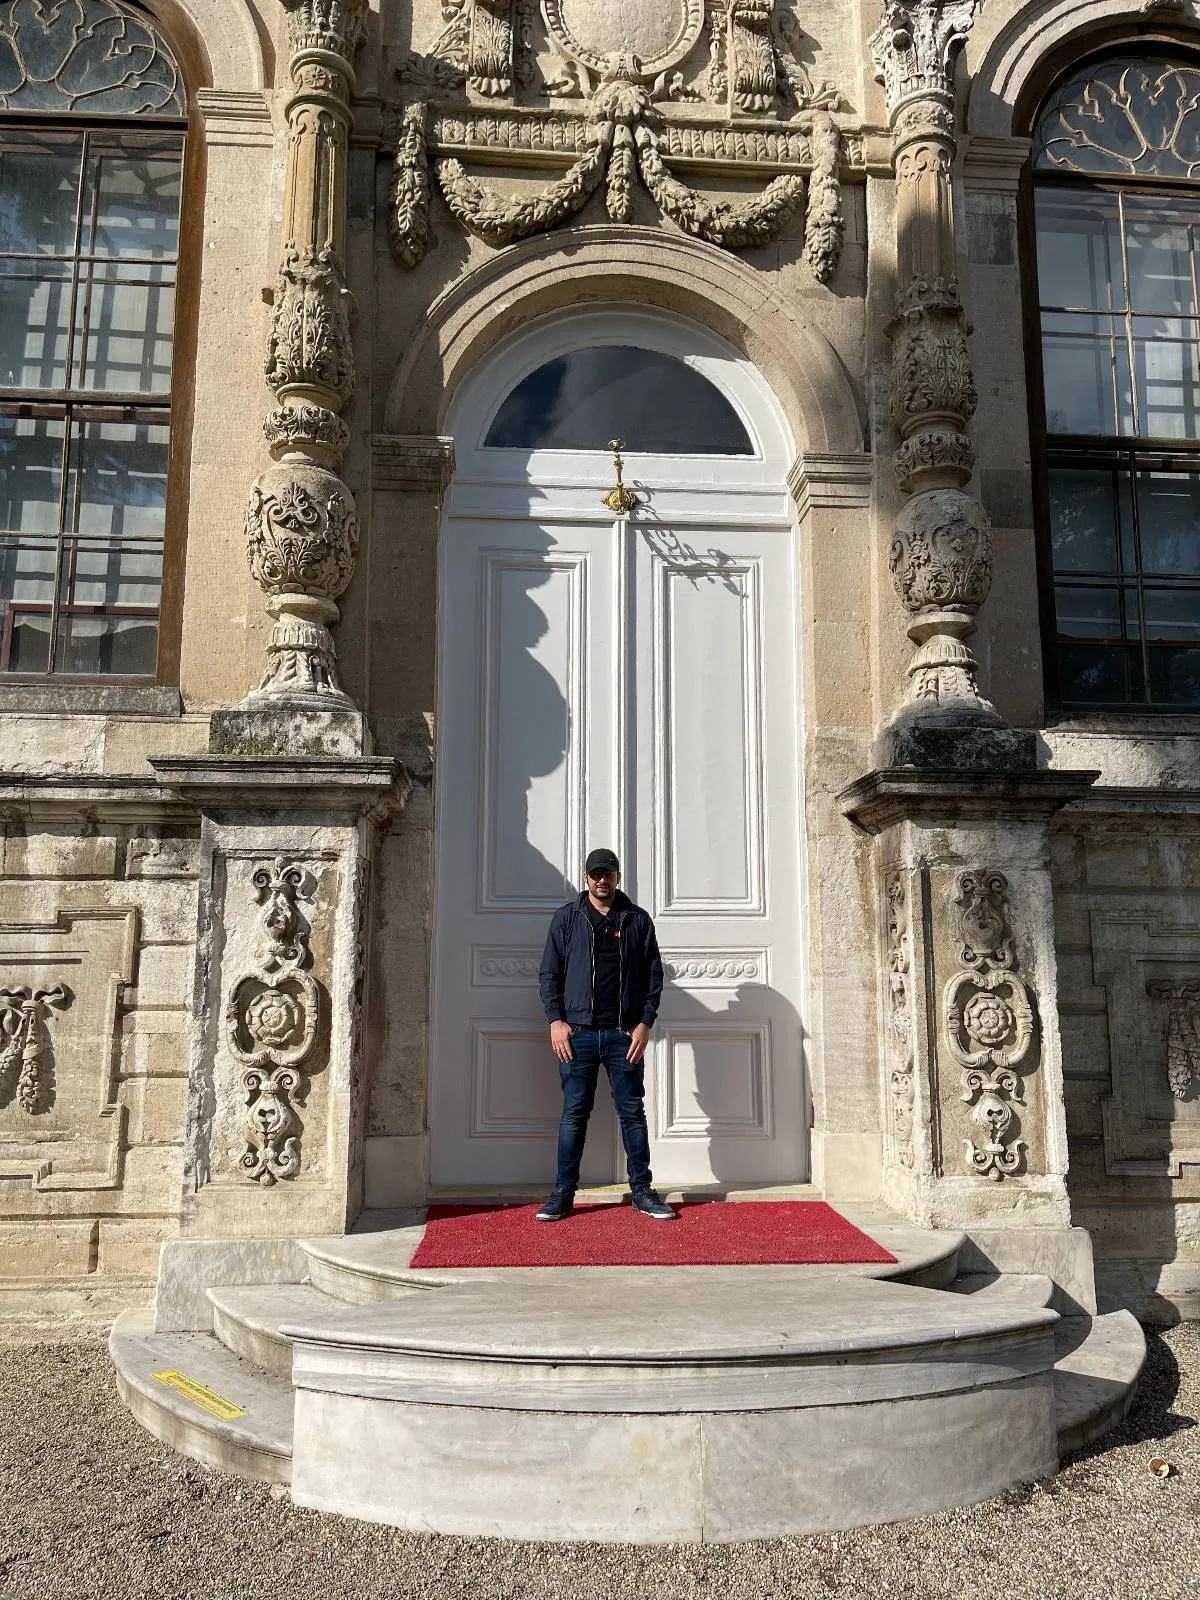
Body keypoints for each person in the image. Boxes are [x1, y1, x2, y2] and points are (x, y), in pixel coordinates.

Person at [536, 848, 675, 1222]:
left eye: (608, 873)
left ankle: (642, 1191)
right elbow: (550, 974)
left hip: (622, 1036)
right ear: (586, 879)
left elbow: (653, 977)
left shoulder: (637, 920)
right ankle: (563, 1194)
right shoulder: (567, 919)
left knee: (632, 1112)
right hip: (577, 1035)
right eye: (595, 874)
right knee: (573, 1114)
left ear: (617, 877)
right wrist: (555, 1020)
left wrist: (645, 1022)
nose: (602, 879)